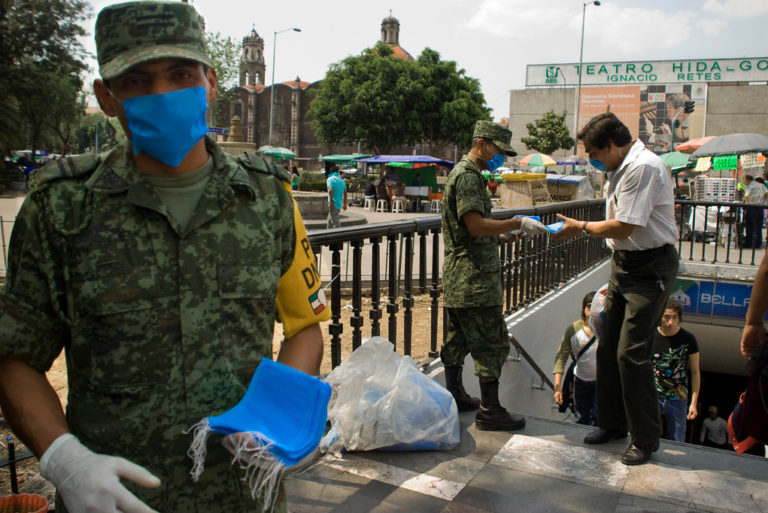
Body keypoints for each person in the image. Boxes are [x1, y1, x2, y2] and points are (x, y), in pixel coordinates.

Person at [0, 2, 329, 512]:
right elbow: (16, 358)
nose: (163, 94)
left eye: (180, 75)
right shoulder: (60, 210)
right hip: (114, 499)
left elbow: (306, 326)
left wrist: (273, 417)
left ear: (211, 83)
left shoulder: (268, 199)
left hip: (240, 496)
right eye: (136, 81)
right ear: (106, 98)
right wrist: (65, 460)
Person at [554, 112, 679, 465]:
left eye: (594, 152)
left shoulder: (644, 168)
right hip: (624, 265)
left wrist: (580, 226)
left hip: (649, 267)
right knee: (608, 344)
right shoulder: (619, 166)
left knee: (631, 352)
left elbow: (624, 226)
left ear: (612, 145)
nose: (592, 160)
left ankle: (645, 438)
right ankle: (612, 425)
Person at [441, 120, 549, 431]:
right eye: (498, 149)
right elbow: (475, 225)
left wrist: (499, 237)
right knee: (491, 341)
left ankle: (456, 394)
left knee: (457, 338)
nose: (499, 155)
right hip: (474, 278)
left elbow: (469, 229)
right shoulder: (469, 177)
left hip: (461, 274)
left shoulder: (463, 173)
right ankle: (490, 409)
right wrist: (516, 222)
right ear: (483, 143)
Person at [651, 299, 701, 442]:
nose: (670, 322)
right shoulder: (651, 336)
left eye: (674, 317)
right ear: (660, 316)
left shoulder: (688, 339)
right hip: (654, 395)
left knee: (678, 439)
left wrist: (693, 402)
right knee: (648, 434)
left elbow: (696, 371)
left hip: (678, 397)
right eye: (666, 317)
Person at [553, 291, 598, 426]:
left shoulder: (605, 329)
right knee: (581, 418)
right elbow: (561, 356)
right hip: (581, 382)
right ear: (584, 309)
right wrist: (557, 387)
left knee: (598, 417)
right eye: (589, 307)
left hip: (601, 382)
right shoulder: (574, 330)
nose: (592, 312)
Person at [743, 174, 766, 249]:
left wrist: (746, 203)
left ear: (748, 179)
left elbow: (746, 195)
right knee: (758, 226)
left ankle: (749, 243)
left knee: (750, 226)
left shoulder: (750, 186)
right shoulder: (762, 185)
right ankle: (758, 243)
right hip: (760, 207)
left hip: (751, 207)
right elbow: (766, 194)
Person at [326, 164, 347, 228]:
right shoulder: (342, 180)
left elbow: (330, 190)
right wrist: (344, 204)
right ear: (338, 172)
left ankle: (339, 236)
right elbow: (345, 192)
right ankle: (327, 234)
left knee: (336, 223)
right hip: (338, 203)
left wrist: (331, 201)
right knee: (329, 220)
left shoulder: (330, 179)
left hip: (333, 203)